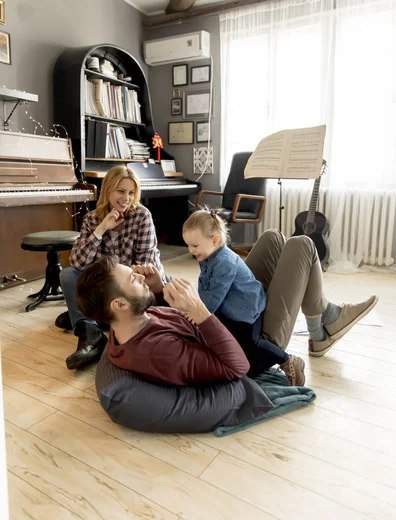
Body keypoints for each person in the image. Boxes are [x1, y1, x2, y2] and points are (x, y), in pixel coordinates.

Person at [75, 229, 377, 386]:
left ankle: (324, 318)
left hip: (229, 316)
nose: (139, 276)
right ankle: (323, 321)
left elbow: (170, 315)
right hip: (252, 344)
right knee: (302, 245)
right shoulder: (155, 352)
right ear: (119, 304)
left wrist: (156, 285)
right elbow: (237, 366)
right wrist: (200, 312)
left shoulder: (128, 320)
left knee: (272, 239)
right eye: (133, 280)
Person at [57, 165, 165, 371]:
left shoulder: (142, 216)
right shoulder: (92, 219)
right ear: (108, 190)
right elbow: (78, 262)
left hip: (131, 284)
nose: (127, 198)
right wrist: (101, 229)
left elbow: (145, 266)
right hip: (108, 286)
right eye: (121, 191)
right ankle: (91, 333)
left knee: (162, 282)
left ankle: (86, 316)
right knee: (68, 275)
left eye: (132, 193)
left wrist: (117, 276)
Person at [182, 209, 304, 384]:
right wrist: (195, 304)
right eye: (188, 245)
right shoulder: (206, 256)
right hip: (229, 306)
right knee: (224, 335)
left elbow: (215, 295)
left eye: (194, 246)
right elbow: (204, 283)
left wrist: (199, 313)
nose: (190, 250)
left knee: (251, 342)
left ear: (214, 240)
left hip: (247, 309)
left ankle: (288, 360)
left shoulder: (225, 261)